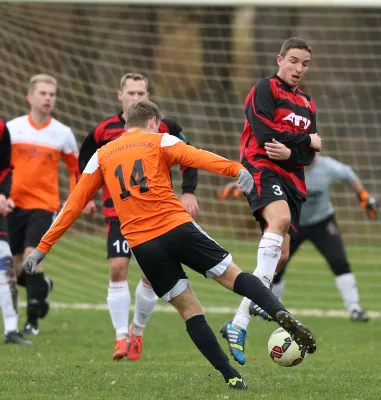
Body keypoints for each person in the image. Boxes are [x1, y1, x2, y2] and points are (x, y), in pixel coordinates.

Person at [23, 100, 316, 389]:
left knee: (190, 311)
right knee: (236, 278)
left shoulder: (102, 155)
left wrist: (42, 248)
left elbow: (73, 205)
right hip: (177, 228)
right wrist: (235, 169)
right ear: (153, 122)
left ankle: (231, 375)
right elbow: (196, 156)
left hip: (143, 246)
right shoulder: (159, 139)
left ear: (126, 124)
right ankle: (282, 315)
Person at [78, 73, 199, 361]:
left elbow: (190, 157)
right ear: (120, 96)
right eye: (130, 93)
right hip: (118, 212)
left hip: (157, 214)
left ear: (148, 96)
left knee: (150, 274)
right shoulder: (103, 131)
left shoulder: (165, 128)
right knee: (118, 267)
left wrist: (189, 192)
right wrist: (84, 197)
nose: (136, 98)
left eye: (141, 93)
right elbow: (84, 162)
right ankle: (121, 337)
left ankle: (138, 331)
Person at [220, 37, 322, 366]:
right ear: (280, 59)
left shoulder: (308, 102)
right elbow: (265, 135)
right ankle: (250, 314)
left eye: (304, 64)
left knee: (283, 256)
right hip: (261, 168)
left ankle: (237, 324)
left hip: (293, 180)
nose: (298, 68)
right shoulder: (265, 88)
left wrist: (295, 149)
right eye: (293, 61)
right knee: (278, 221)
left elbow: (309, 156)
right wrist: (307, 140)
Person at [263, 142, 378, 321]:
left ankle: (354, 308)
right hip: (292, 223)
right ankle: (272, 308)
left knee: (339, 261)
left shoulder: (328, 167)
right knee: (277, 263)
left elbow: (349, 175)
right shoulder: (284, 168)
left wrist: (364, 197)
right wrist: (240, 184)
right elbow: (261, 176)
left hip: (322, 222)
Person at [6, 74, 79, 335]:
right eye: (43, 93)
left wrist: (76, 198)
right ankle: (43, 286)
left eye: (52, 94)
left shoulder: (63, 133)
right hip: (13, 205)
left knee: (30, 259)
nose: (48, 98)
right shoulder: (12, 129)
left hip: (44, 205)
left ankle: (32, 321)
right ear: (30, 96)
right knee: (13, 269)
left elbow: (75, 170)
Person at [0, 117, 32, 345]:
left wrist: (3, 194)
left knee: (6, 265)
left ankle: (11, 330)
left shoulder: (1, 127)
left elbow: (5, 169)